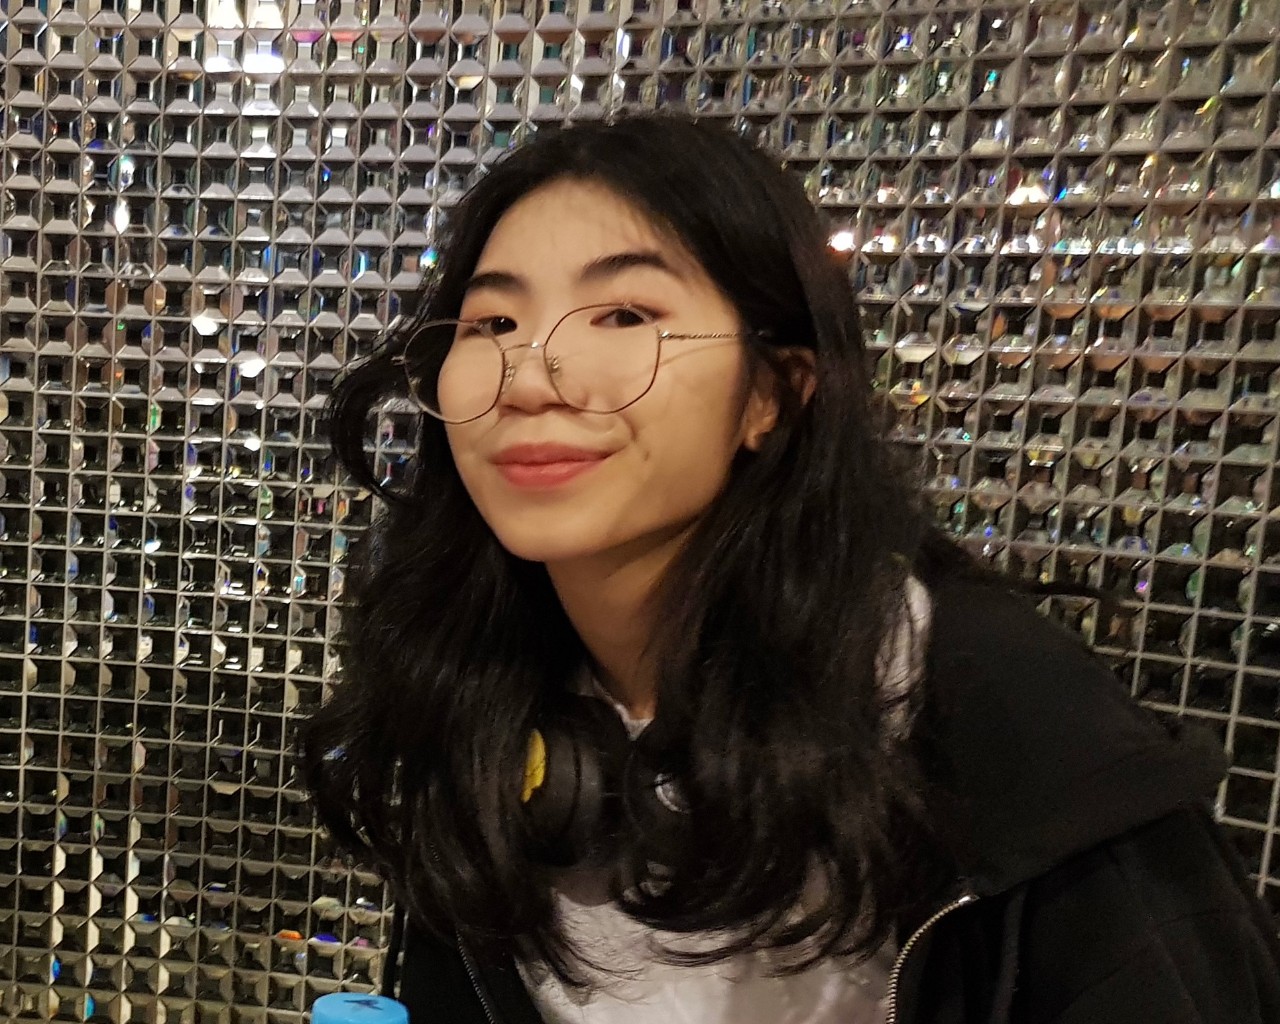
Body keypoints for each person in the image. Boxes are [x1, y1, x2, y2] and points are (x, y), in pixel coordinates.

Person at [303, 113, 1280, 1024]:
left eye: (623, 314)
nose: (530, 375)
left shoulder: (1005, 725)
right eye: (492, 325)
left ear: (771, 392)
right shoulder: (479, 695)